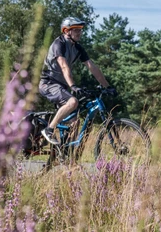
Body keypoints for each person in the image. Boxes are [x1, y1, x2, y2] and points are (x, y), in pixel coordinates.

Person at [39, 16, 116, 145]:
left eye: (80, 29)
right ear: (66, 31)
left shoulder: (78, 48)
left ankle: (68, 157)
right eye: (76, 30)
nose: (79, 32)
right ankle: (49, 129)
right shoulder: (59, 44)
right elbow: (64, 65)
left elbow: (92, 67)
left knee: (75, 122)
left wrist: (107, 86)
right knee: (73, 101)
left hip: (62, 87)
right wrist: (73, 85)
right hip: (49, 83)